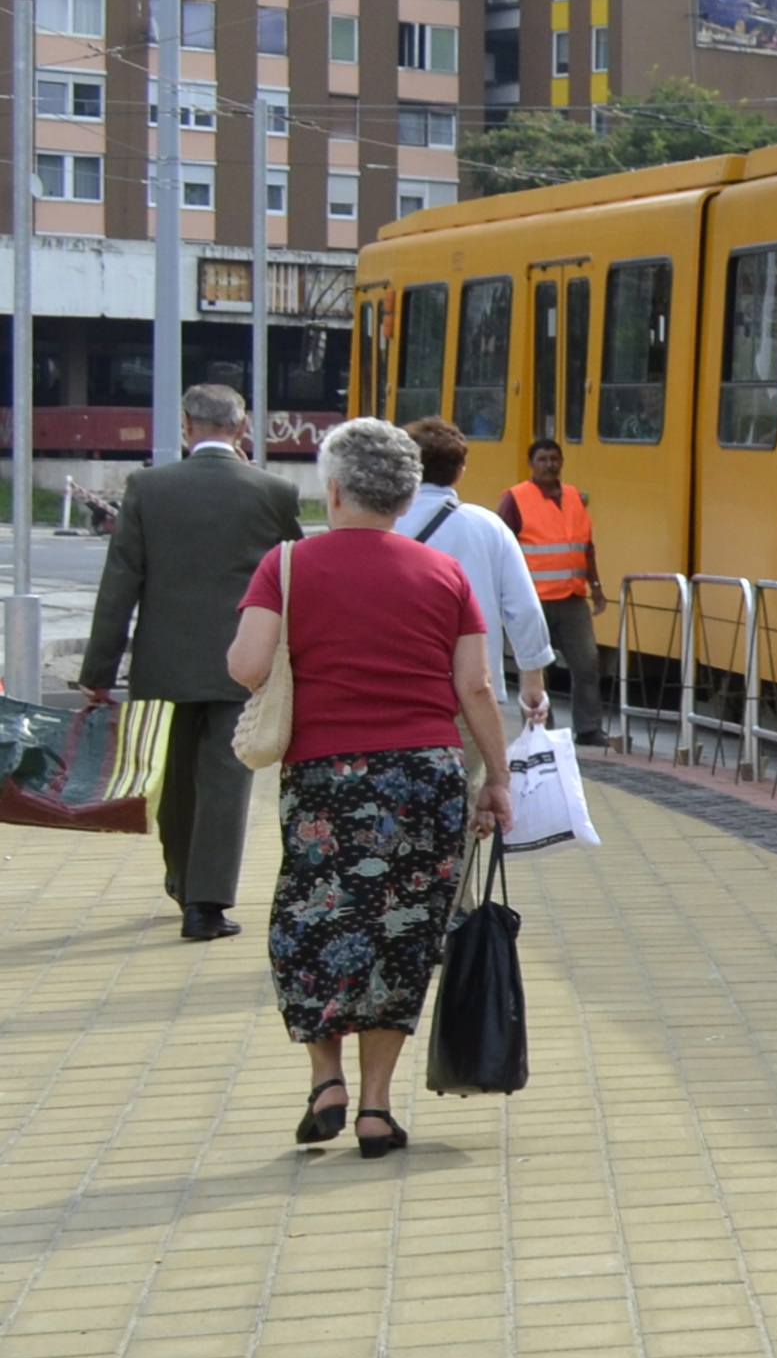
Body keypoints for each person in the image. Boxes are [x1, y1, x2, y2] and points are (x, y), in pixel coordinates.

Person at [231, 418, 516, 1160]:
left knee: (315, 921)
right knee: (402, 935)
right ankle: (378, 1110)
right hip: (426, 775)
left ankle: (325, 1081)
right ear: (402, 495)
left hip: (326, 778)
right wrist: (499, 779)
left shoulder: (287, 565)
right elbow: (477, 686)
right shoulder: (443, 573)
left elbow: (246, 664)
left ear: (332, 488)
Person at [74, 381, 308, 942]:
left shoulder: (148, 488)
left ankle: (181, 878)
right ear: (242, 426)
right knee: (227, 781)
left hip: (164, 666)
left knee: (175, 780)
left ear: (185, 425)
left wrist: (97, 675)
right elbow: (299, 576)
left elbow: (120, 585)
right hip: (242, 662)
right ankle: (206, 904)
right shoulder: (273, 491)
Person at [393, 422, 552, 733]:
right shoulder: (488, 527)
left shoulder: (383, 522)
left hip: (396, 691)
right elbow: (525, 609)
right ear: (460, 471)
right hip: (472, 692)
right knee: (471, 780)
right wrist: (532, 680)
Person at [492, 432, 606, 745]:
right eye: (542, 459)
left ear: (562, 463)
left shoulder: (573, 497)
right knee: (537, 666)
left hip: (571, 597)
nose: (549, 465)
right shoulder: (515, 499)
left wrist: (596, 586)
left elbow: (587, 546)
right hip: (533, 600)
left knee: (587, 662)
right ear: (531, 464)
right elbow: (503, 546)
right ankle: (543, 728)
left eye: (554, 459)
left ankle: (589, 728)